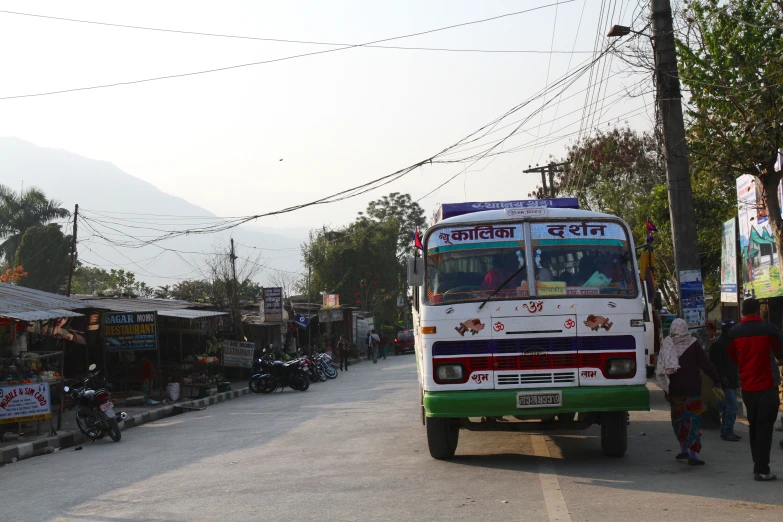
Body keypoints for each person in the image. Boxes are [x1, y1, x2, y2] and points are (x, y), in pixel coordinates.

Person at [727, 298, 783, 481]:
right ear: (758, 311)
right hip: (768, 387)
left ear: (743, 312)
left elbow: (732, 357)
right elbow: (780, 352)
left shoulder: (734, 333)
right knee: (765, 428)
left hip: (748, 387)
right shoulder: (770, 330)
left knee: (754, 425)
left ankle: (757, 463)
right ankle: (761, 468)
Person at [655, 318, 722, 466]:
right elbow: (706, 365)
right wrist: (716, 379)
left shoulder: (667, 343)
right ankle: (693, 454)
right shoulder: (694, 344)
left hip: (675, 391)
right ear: (685, 328)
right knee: (693, 422)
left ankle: (683, 449)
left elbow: (662, 368)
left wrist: (666, 390)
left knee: (679, 421)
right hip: (693, 392)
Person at [709, 320, 741, 442]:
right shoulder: (718, 344)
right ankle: (727, 431)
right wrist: (722, 376)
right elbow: (715, 364)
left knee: (727, 407)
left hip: (731, 380)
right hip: (724, 382)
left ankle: (727, 431)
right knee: (732, 406)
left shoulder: (731, 342)